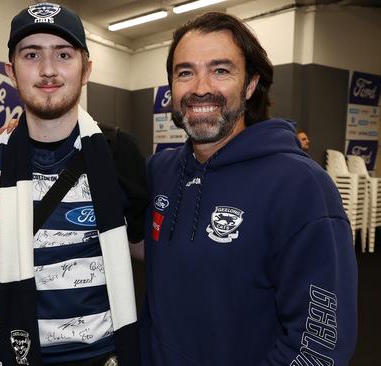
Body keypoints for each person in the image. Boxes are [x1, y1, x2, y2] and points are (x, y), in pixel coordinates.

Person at [141, 12, 357, 366]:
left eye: (221, 70)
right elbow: (141, 240)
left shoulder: (302, 187)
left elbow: (320, 346)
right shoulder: (160, 171)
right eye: (185, 72)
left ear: (252, 84)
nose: (200, 87)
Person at [0, 3, 146, 365]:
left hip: (101, 354)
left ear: (86, 68)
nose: (47, 70)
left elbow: (140, 245)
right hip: (2, 352)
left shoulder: (120, 152)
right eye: (31, 54)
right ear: (11, 71)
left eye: (63, 54)